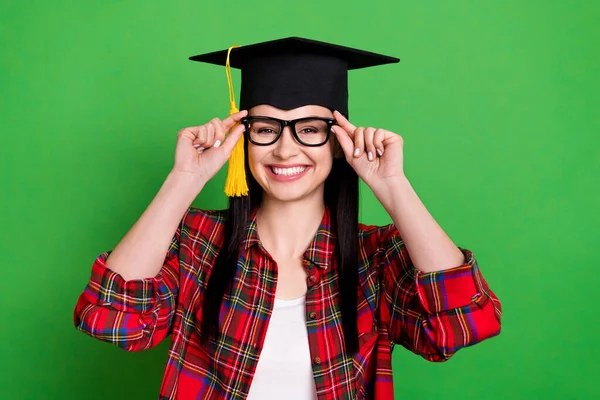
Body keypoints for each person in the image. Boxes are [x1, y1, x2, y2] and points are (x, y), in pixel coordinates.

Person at [73, 37, 502, 400]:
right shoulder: (196, 242)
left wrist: (392, 185)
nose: (284, 149)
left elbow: (460, 326)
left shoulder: (376, 256)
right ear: (243, 138)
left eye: (309, 129)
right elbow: (113, 321)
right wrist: (184, 180)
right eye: (266, 129)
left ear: (337, 141)